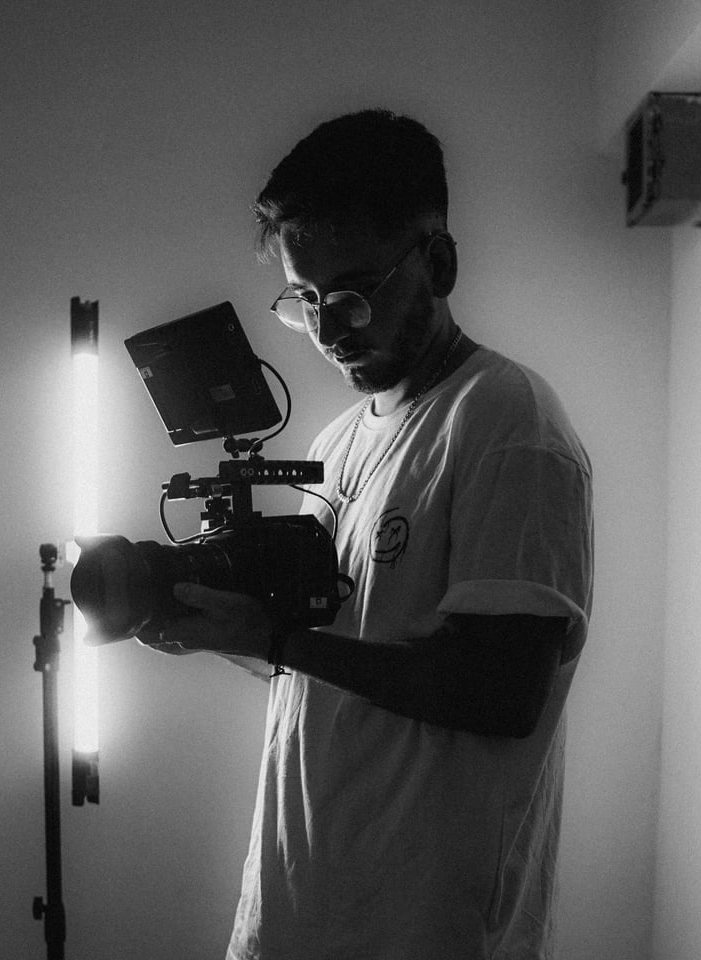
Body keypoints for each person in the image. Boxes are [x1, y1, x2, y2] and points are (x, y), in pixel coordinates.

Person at [144, 109, 594, 959]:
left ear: (439, 263)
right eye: (305, 299)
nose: (326, 329)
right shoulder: (338, 442)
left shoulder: (507, 423)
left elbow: (500, 692)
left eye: (352, 294)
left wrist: (276, 639)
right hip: (291, 911)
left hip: (420, 929)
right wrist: (222, 632)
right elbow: (333, 662)